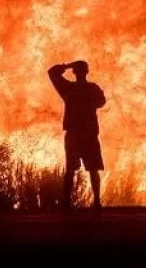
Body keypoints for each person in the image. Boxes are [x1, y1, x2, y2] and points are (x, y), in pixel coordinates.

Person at [48, 60, 107, 210]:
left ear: (74, 72)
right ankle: (97, 203)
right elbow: (101, 101)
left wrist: (68, 65)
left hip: (75, 133)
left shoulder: (68, 89)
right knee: (92, 169)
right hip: (88, 133)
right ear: (87, 72)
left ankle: (67, 203)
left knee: (71, 170)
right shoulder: (92, 89)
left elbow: (52, 72)